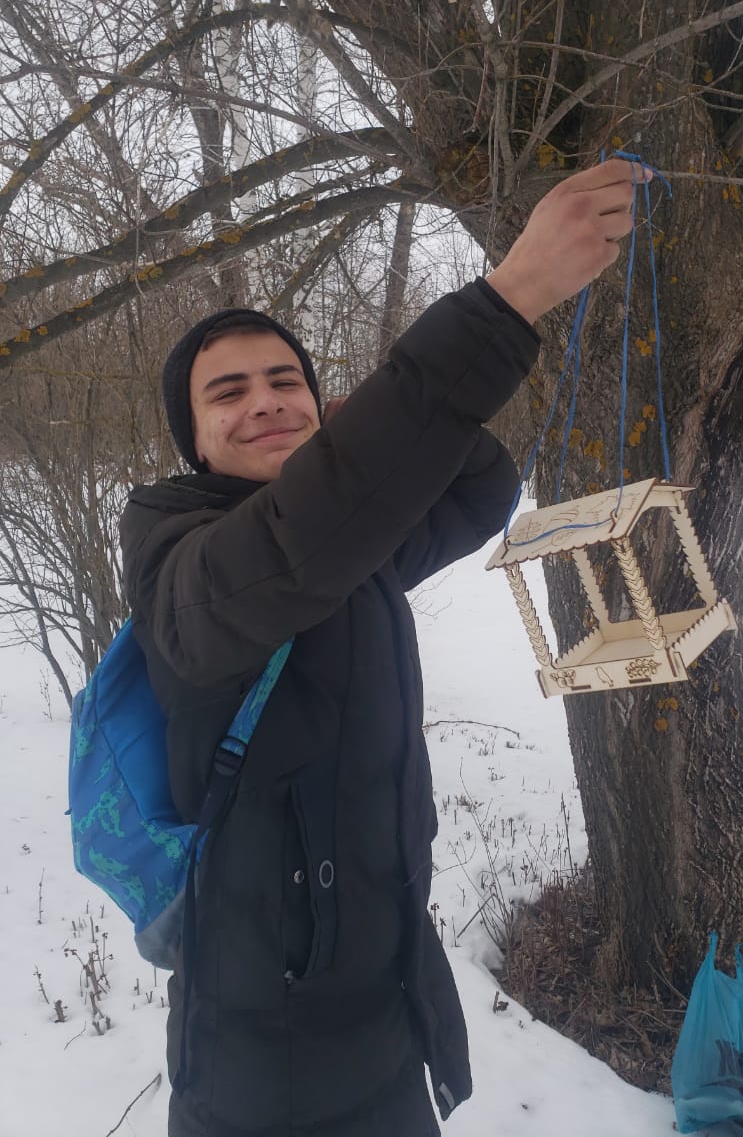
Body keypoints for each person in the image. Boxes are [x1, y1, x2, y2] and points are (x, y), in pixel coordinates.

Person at [119, 159, 639, 1137]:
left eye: (287, 381)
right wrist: (511, 297)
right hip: (258, 1046)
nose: (266, 399)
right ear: (192, 438)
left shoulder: (348, 541)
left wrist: (369, 427)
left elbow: (477, 488)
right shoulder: (175, 550)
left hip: (390, 1000)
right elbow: (284, 547)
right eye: (228, 392)